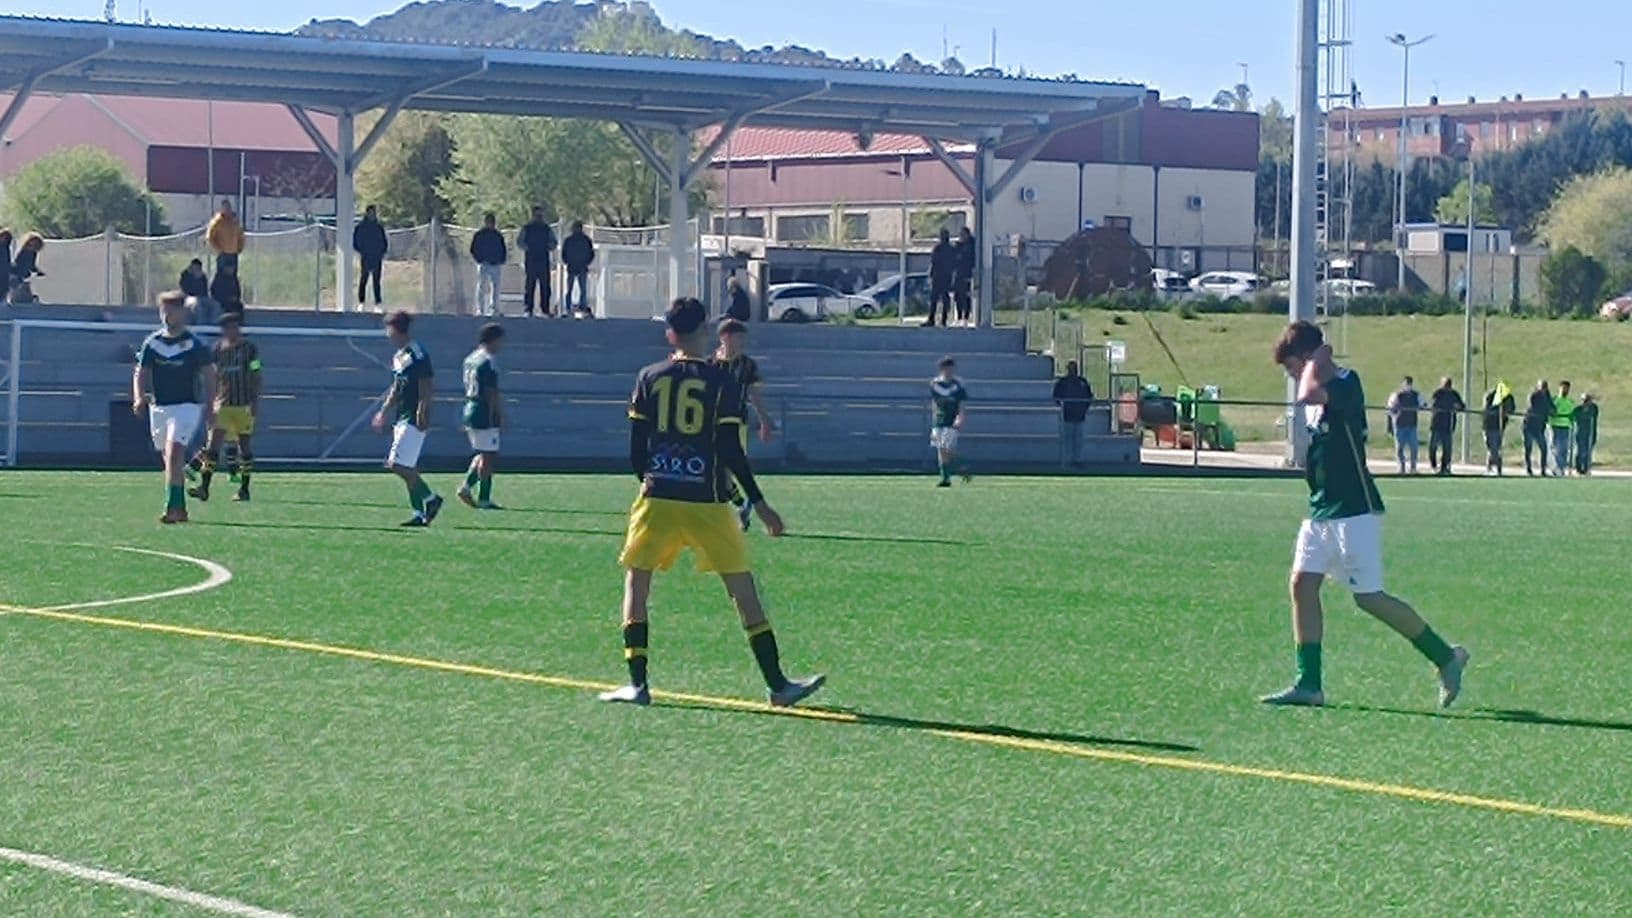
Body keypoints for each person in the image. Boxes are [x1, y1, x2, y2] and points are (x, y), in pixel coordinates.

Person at [598, 297, 824, 708]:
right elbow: (729, 450)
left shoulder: (649, 376)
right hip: (708, 500)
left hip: (659, 497)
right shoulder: (723, 383)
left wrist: (653, 478)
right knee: (743, 589)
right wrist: (758, 503)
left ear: (670, 334)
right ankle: (778, 684)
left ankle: (637, 684)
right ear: (704, 331)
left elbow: (636, 449)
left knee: (637, 583)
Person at [1260, 321, 1468, 709]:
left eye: (1292, 366)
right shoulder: (1321, 383)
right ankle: (1309, 683)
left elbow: (1308, 393)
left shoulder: (1345, 383)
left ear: (1310, 359)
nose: (1291, 377)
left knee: (1369, 598)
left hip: (1354, 509)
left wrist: (1315, 361)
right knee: (1302, 585)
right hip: (1322, 508)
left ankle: (1446, 657)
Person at [132, 291, 216, 524]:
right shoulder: (153, 343)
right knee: (169, 458)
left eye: (172, 310)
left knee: (174, 452)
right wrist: (139, 397)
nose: (167, 315)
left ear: (183, 313)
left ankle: (173, 508)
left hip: (186, 406)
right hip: (160, 408)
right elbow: (141, 372)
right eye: (164, 310)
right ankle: (179, 507)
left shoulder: (194, 344)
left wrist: (211, 405)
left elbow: (209, 375)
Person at [372, 310, 444, 527]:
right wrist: (383, 411)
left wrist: (423, 409)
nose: (387, 335)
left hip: (412, 416)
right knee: (407, 466)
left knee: (397, 464)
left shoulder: (417, 353)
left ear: (396, 330)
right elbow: (397, 386)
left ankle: (431, 499)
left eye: (389, 330)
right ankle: (419, 513)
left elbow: (426, 383)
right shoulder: (399, 356)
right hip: (401, 415)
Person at [186, 311, 261, 503]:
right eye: (229, 328)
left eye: (236, 327)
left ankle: (244, 489)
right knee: (213, 447)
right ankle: (204, 487)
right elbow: (212, 377)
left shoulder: (249, 349)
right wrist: (211, 404)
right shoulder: (217, 350)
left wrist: (255, 401)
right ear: (224, 330)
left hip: (243, 404)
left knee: (244, 447)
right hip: (223, 404)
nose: (233, 331)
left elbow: (256, 374)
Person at [715, 318, 775, 531]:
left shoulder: (747, 365)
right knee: (720, 475)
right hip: (712, 426)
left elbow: (754, 394)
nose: (742, 342)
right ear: (725, 337)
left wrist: (764, 420)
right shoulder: (710, 363)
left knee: (731, 468)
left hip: (735, 424)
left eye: (743, 338)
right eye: (739, 337)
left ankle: (745, 506)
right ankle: (742, 505)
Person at [457, 322, 505, 510]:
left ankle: (466, 487)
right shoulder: (488, 360)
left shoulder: (470, 358)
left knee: (484, 453)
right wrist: (498, 413)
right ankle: (481, 496)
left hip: (470, 406)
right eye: (500, 341)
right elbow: (490, 391)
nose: (501, 345)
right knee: (489, 456)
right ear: (492, 340)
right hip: (483, 410)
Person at [929, 357, 971, 487]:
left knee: (945, 447)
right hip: (939, 420)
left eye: (951, 368)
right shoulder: (935, 384)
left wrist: (960, 417)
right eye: (946, 368)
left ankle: (957, 470)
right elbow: (934, 403)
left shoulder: (958, 384)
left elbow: (961, 403)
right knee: (941, 449)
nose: (949, 370)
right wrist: (933, 420)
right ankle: (949, 476)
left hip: (952, 419)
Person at [1052, 360, 1094, 467]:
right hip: (1066, 415)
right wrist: (1063, 407)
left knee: (1078, 440)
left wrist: (1084, 408)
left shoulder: (1083, 382)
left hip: (1080, 416)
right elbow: (1056, 396)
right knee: (1067, 439)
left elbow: (1089, 397)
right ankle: (1066, 460)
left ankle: (1077, 460)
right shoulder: (1063, 382)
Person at [517, 207, 558, 318]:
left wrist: (546, 247)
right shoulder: (527, 228)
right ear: (533, 215)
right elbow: (520, 242)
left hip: (543, 260)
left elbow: (554, 243)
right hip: (531, 260)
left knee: (545, 286)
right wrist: (529, 248)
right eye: (537, 215)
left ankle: (545, 309)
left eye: (541, 215)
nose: (539, 217)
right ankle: (528, 309)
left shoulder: (546, 229)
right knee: (530, 285)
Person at [470, 213, 507, 318]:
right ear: (485, 222)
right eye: (489, 221)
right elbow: (473, 249)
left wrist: (501, 260)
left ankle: (494, 309)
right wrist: (479, 259)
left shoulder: (498, 235)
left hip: (495, 264)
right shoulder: (479, 235)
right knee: (481, 286)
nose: (491, 224)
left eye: (492, 222)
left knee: (495, 287)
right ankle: (480, 310)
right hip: (484, 264)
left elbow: (502, 249)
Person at [1427, 376, 1465, 476]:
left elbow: (1462, 406)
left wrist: (1458, 407)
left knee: (1447, 448)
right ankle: (1434, 466)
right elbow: (1432, 404)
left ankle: (1444, 467)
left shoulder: (1454, 394)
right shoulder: (1437, 393)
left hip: (1448, 425)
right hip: (1436, 425)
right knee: (1433, 447)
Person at [353, 205, 389, 307]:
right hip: (365, 256)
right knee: (364, 278)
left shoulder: (378, 227)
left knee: (376, 280)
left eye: (374, 213)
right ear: (367, 213)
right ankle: (361, 302)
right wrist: (362, 251)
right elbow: (356, 242)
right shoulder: (360, 227)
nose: (372, 215)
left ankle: (378, 303)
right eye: (370, 213)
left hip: (376, 257)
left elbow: (383, 242)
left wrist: (381, 252)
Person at [1385, 376, 1421, 475]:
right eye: (1406, 383)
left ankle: (1413, 468)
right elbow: (1389, 408)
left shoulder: (1416, 395)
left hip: (1412, 425)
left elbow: (1424, 404)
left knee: (1414, 447)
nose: (1408, 385)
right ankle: (1401, 467)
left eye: (1409, 383)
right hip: (1399, 424)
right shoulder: (1396, 395)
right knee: (1399, 448)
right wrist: (1391, 422)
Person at [1481, 380, 1516, 476]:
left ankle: (1496, 468)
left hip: (1500, 426)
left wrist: (1506, 411)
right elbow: (1487, 408)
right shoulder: (1490, 395)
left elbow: (1512, 408)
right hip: (1489, 425)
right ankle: (1491, 467)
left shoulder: (1508, 397)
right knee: (1492, 448)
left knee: (1496, 448)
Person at [560, 220, 595, 316]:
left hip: (581, 267)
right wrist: (567, 262)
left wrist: (586, 262)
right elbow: (564, 253)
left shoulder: (586, 240)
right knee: (569, 289)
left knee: (582, 289)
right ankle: (568, 308)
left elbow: (591, 253)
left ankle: (582, 306)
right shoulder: (569, 240)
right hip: (572, 267)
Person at [924, 229, 956, 328]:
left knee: (936, 298)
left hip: (940, 277)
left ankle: (934, 319)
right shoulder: (950, 249)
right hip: (945, 276)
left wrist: (931, 274)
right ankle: (941, 320)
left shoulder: (939, 248)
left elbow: (934, 262)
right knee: (941, 298)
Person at [205, 199, 244, 281]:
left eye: (229, 207)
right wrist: (218, 248)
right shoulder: (217, 221)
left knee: (233, 276)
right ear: (222, 209)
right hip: (223, 254)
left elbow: (240, 235)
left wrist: (240, 248)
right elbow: (210, 237)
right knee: (222, 275)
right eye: (225, 208)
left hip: (233, 253)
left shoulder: (234, 221)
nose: (228, 210)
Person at [1523, 380, 1551, 477]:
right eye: (1542, 387)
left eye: (1545, 387)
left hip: (1539, 427)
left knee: (1543, 448)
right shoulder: (1533, 395)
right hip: (1529, 425)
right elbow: (1532, 406)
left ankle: (1543, 469)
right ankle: (1528, 468)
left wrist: (1552, 411)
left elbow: (1551, 406)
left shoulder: (1547, 396)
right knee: (1528, 448)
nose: (1543, 389)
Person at [1549, 380, 1576, 476]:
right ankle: (1556, 466)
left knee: (1564, 448)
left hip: (1565, 426)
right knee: (1555, 447)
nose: (1565, 390)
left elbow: (1572, 413)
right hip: (1555, 425)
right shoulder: (1555, 400)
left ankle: (1561, 467)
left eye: (1567, 388)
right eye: (1563, 388)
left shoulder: (1570, 402)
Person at [9, 233, 45, 303]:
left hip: (23, 275)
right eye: (32, 244)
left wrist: (37, 271)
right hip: (16, 274)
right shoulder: (23, 251)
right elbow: (17, 262)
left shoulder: (34, 253)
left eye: (35, 244)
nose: (33, 246)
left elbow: (32, 264)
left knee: (23, 292)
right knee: (17, 290)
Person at [952, 226, 976, 326]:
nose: (961, 236)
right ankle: (959, 316)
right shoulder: (959, 246)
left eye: (963, 234)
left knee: (966, 295)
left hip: (967, 274)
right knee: (957, 295)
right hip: (959, 274)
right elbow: (955, 258)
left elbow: (969, 260)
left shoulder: (971, 246)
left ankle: (966, 316)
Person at [1573, 394, 1599, 476]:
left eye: (1587, 400)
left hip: (1591, 433)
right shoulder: (1578, 409)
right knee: (1581, 451)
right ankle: (1579, 468)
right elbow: (1576, 418)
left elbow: (1594, 413)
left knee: (1588, 451)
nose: (1586, 402)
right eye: (1584, 400)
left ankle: (1586, 468)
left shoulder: (1593, 408)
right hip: (1581, 433)